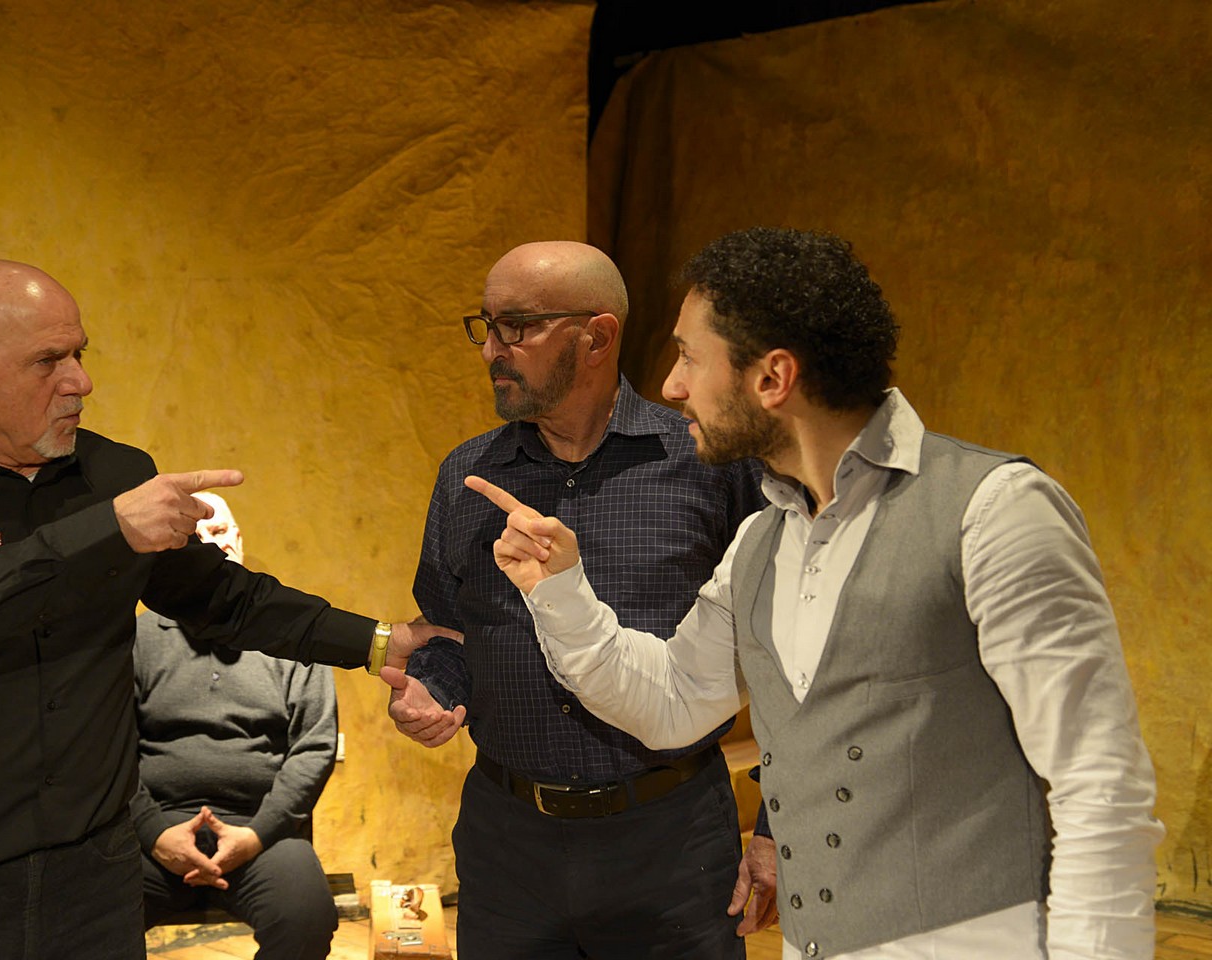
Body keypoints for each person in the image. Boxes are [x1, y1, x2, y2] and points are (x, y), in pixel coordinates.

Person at [472, 228, 1164, 960]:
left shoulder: (995, 509)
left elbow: (1101, 786)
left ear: (772, 378)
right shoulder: (760, 542)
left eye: (689, 357)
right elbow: (673, 701)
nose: (672, 387)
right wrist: (561, 591)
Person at [0, 259, 447, 960]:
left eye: (79, 354)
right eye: (48, 361)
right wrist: (105, 530)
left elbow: (224, 599)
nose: (80, 381)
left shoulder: (115, 474)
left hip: (94, 877)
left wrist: (378, 640)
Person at [381, 241, 774, 960]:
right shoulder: (467, 475)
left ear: (596, 336)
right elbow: (448, 633)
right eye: (485, 326)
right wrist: (432, 689)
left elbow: (786, 656)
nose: (491, 350)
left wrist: (778, 828)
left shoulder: (709, 463)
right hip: (509, 847)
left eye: (516, 326)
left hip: (672, 842)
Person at [133, 491, 338, 960]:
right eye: (197, 537)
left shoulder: (291, 634)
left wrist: (257, 834)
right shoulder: (137, 638)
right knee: (86, 916)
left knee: (306, 919)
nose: (214, 545)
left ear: (239, 539)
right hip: (155, 830)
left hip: (261, 831)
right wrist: (154, 833)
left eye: (221, 531)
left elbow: (314, 746)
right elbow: (109, 749)